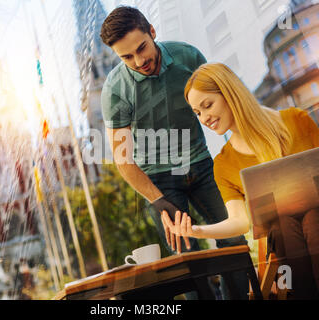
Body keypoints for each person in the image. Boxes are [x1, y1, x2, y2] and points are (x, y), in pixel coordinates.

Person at [165, 62, 319, 299]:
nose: (204, 118)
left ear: (230, 94)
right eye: (197, 112)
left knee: (314, 219)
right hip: (283, 234)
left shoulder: (296, 120)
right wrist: (197, 231)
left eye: (208, 105)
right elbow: (240, 222)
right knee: (284, 224)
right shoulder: (224, 163)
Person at [100, 6, 248, 299]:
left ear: (152, 32)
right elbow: (123, 161)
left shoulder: (188, 57)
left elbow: (224, 107)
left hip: (202, 165)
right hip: (158, 181)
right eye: (126, 57)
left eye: (141, 48)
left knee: (233, 238)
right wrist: (158, 201)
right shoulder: (115, 90)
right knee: (186, 259)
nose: (139, 60)